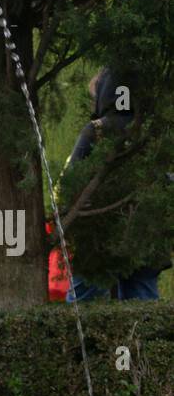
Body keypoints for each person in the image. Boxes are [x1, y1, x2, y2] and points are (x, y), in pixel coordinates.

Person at [64, 68, 169, 302]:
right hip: (146, 232)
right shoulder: (153, 130)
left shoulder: (96, 130)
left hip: (99, 236)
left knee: (82, 302)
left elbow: (72, 179)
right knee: (142, 306)